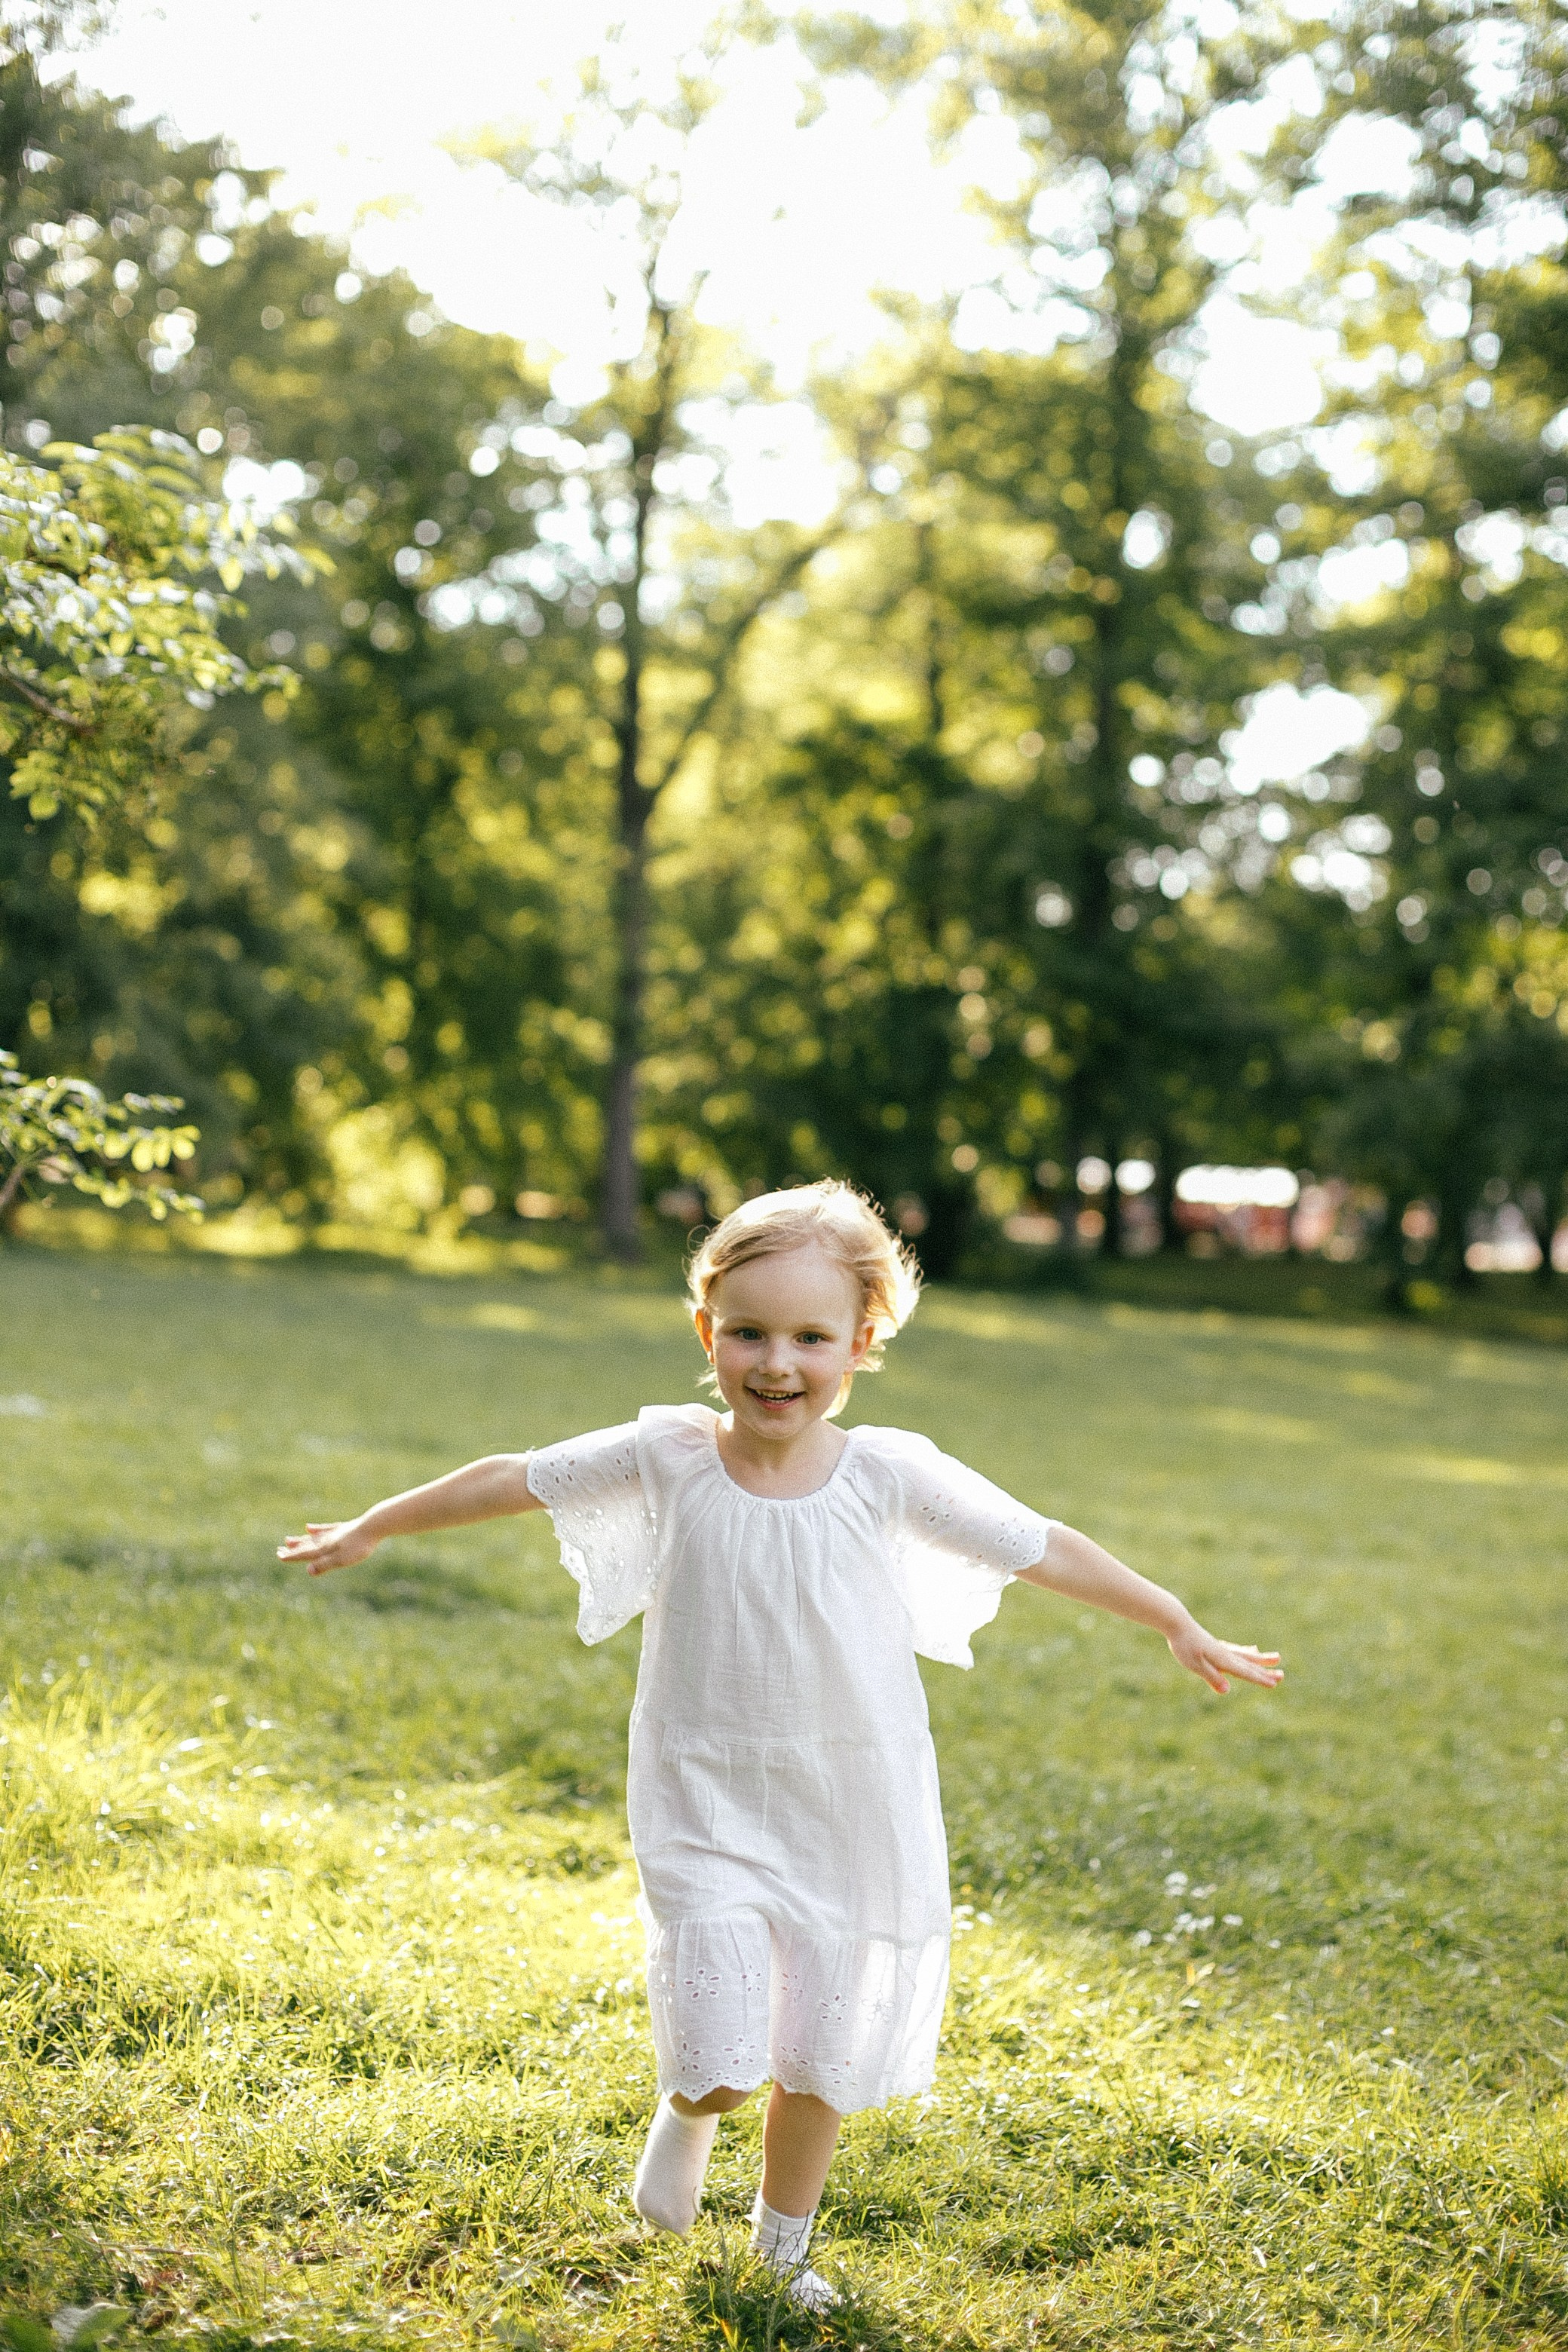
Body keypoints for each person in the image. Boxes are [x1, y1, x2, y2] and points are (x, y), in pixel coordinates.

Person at [278, 1181, 1281, 2311]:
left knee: (817, 2054)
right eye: (749, 1332)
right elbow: (513, 1477)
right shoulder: (668, 1454)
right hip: (703, 1790)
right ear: (707, 1334)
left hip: (853, 1802)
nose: (776, 1364)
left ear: (860, 1343)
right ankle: (689, 2110)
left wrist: (1174, 1619)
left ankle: (781, 2252)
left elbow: (1042, 1545)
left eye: (810, 1337)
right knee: (719, 2051)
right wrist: (373, 1525)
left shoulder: (888, 1475)